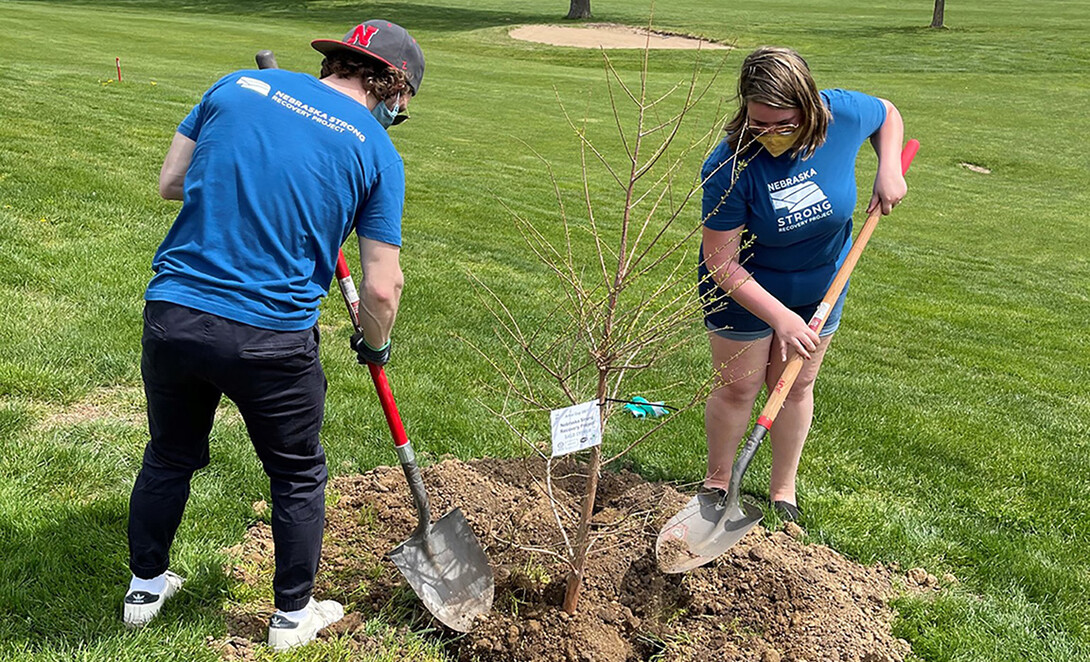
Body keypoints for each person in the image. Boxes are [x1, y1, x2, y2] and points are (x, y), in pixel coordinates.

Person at [123, 20, 424, 650]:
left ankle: (144, 589)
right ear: (393, 88)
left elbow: (171, 183)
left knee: (169, 455)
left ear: (336, 63)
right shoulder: (375, 150)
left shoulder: (235, 87)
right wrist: (376, 342)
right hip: (270, 337)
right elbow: (381, 287)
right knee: (295, 475)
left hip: (174, 312)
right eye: (406, 100)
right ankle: (291, 618)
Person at [698, 46, 906, 521]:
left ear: (810, 108)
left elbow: (887, 114)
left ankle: (782, 491)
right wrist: (780, 318)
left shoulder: (841, 115)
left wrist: (888, 167)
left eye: (783, 124)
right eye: (759, 124)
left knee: (794, 385)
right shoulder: (729, 167)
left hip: (821, 282)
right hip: (745, 286)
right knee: (739, 387)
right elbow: (721, 262)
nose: (770, 135)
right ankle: (716, 483)